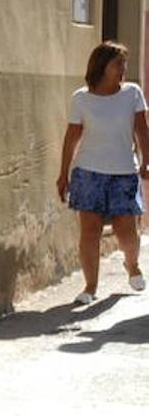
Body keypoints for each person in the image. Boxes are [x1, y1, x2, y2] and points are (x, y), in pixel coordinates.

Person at [56, 40, 149, 304]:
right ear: (102, 65)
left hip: (123, 172)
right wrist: (64, 174)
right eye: (118, 63)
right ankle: (90, 287)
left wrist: (147, 160)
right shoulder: (81, 98)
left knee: (126, 232)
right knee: (90, 231)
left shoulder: (132, 93)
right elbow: (72, 137)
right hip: (88, 172)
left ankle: (132, 266)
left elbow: (142, 130)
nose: (123, 68)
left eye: (124, 64)